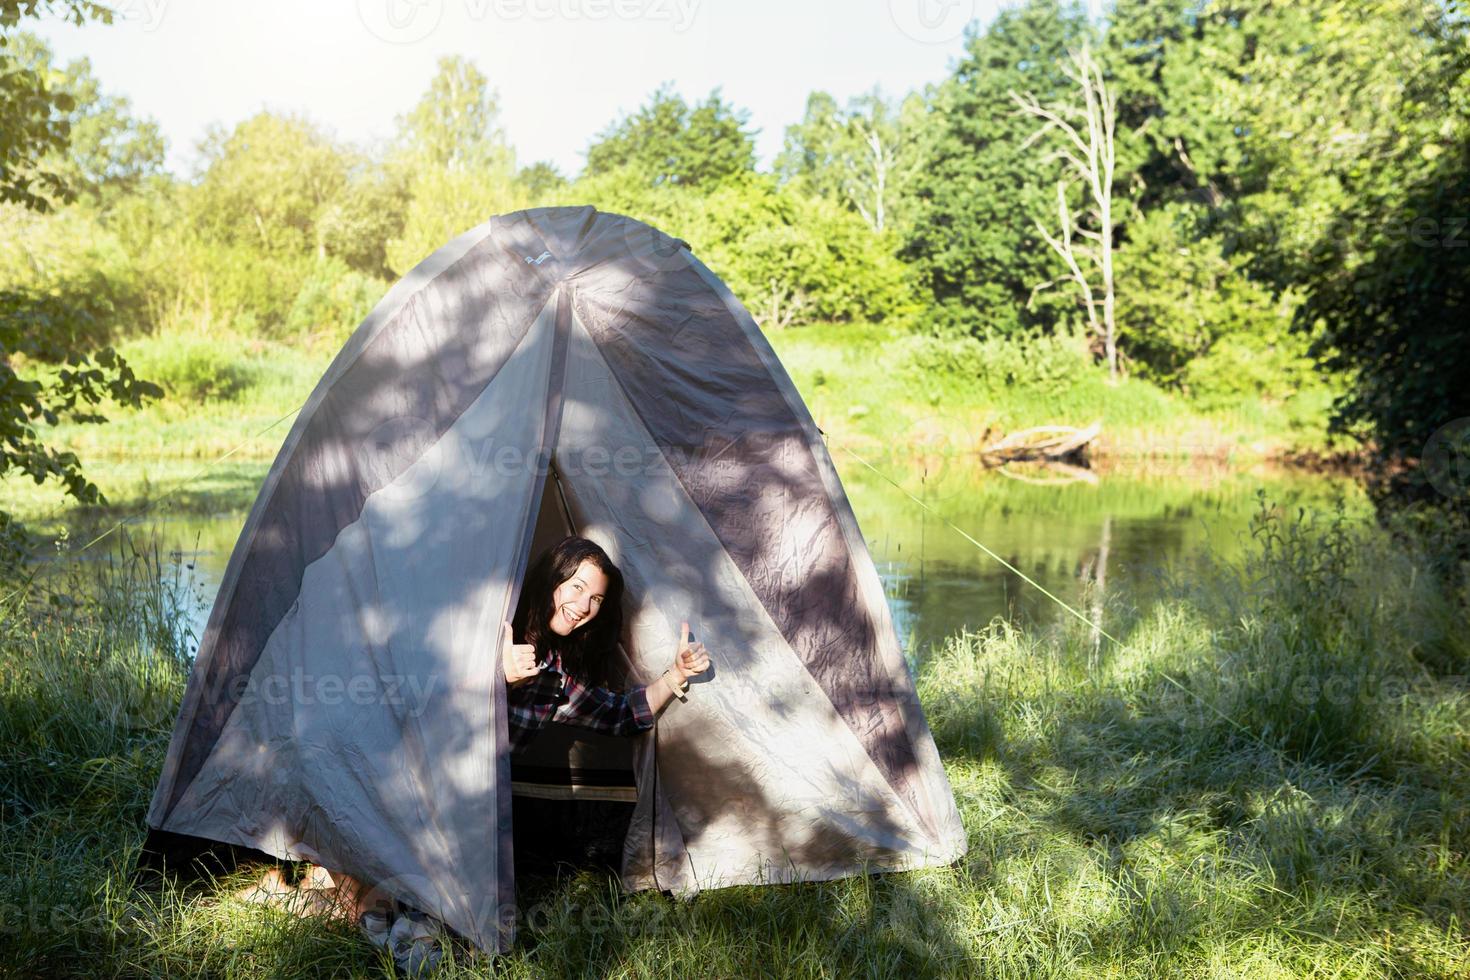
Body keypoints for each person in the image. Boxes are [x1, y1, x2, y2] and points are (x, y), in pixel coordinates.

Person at [236, 536, 711, 960]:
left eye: (596, 599)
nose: (584, 605)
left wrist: (676, 675)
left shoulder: (556, 678)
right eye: (576, 587)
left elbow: (620, 714)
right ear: (553, 580)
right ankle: (353, 903)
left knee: (447, 909)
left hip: (462, 807)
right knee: (404, 897)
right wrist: (494, 675)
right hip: (400, 772)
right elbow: (417, 698)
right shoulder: (486, 623)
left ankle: (318, 891)